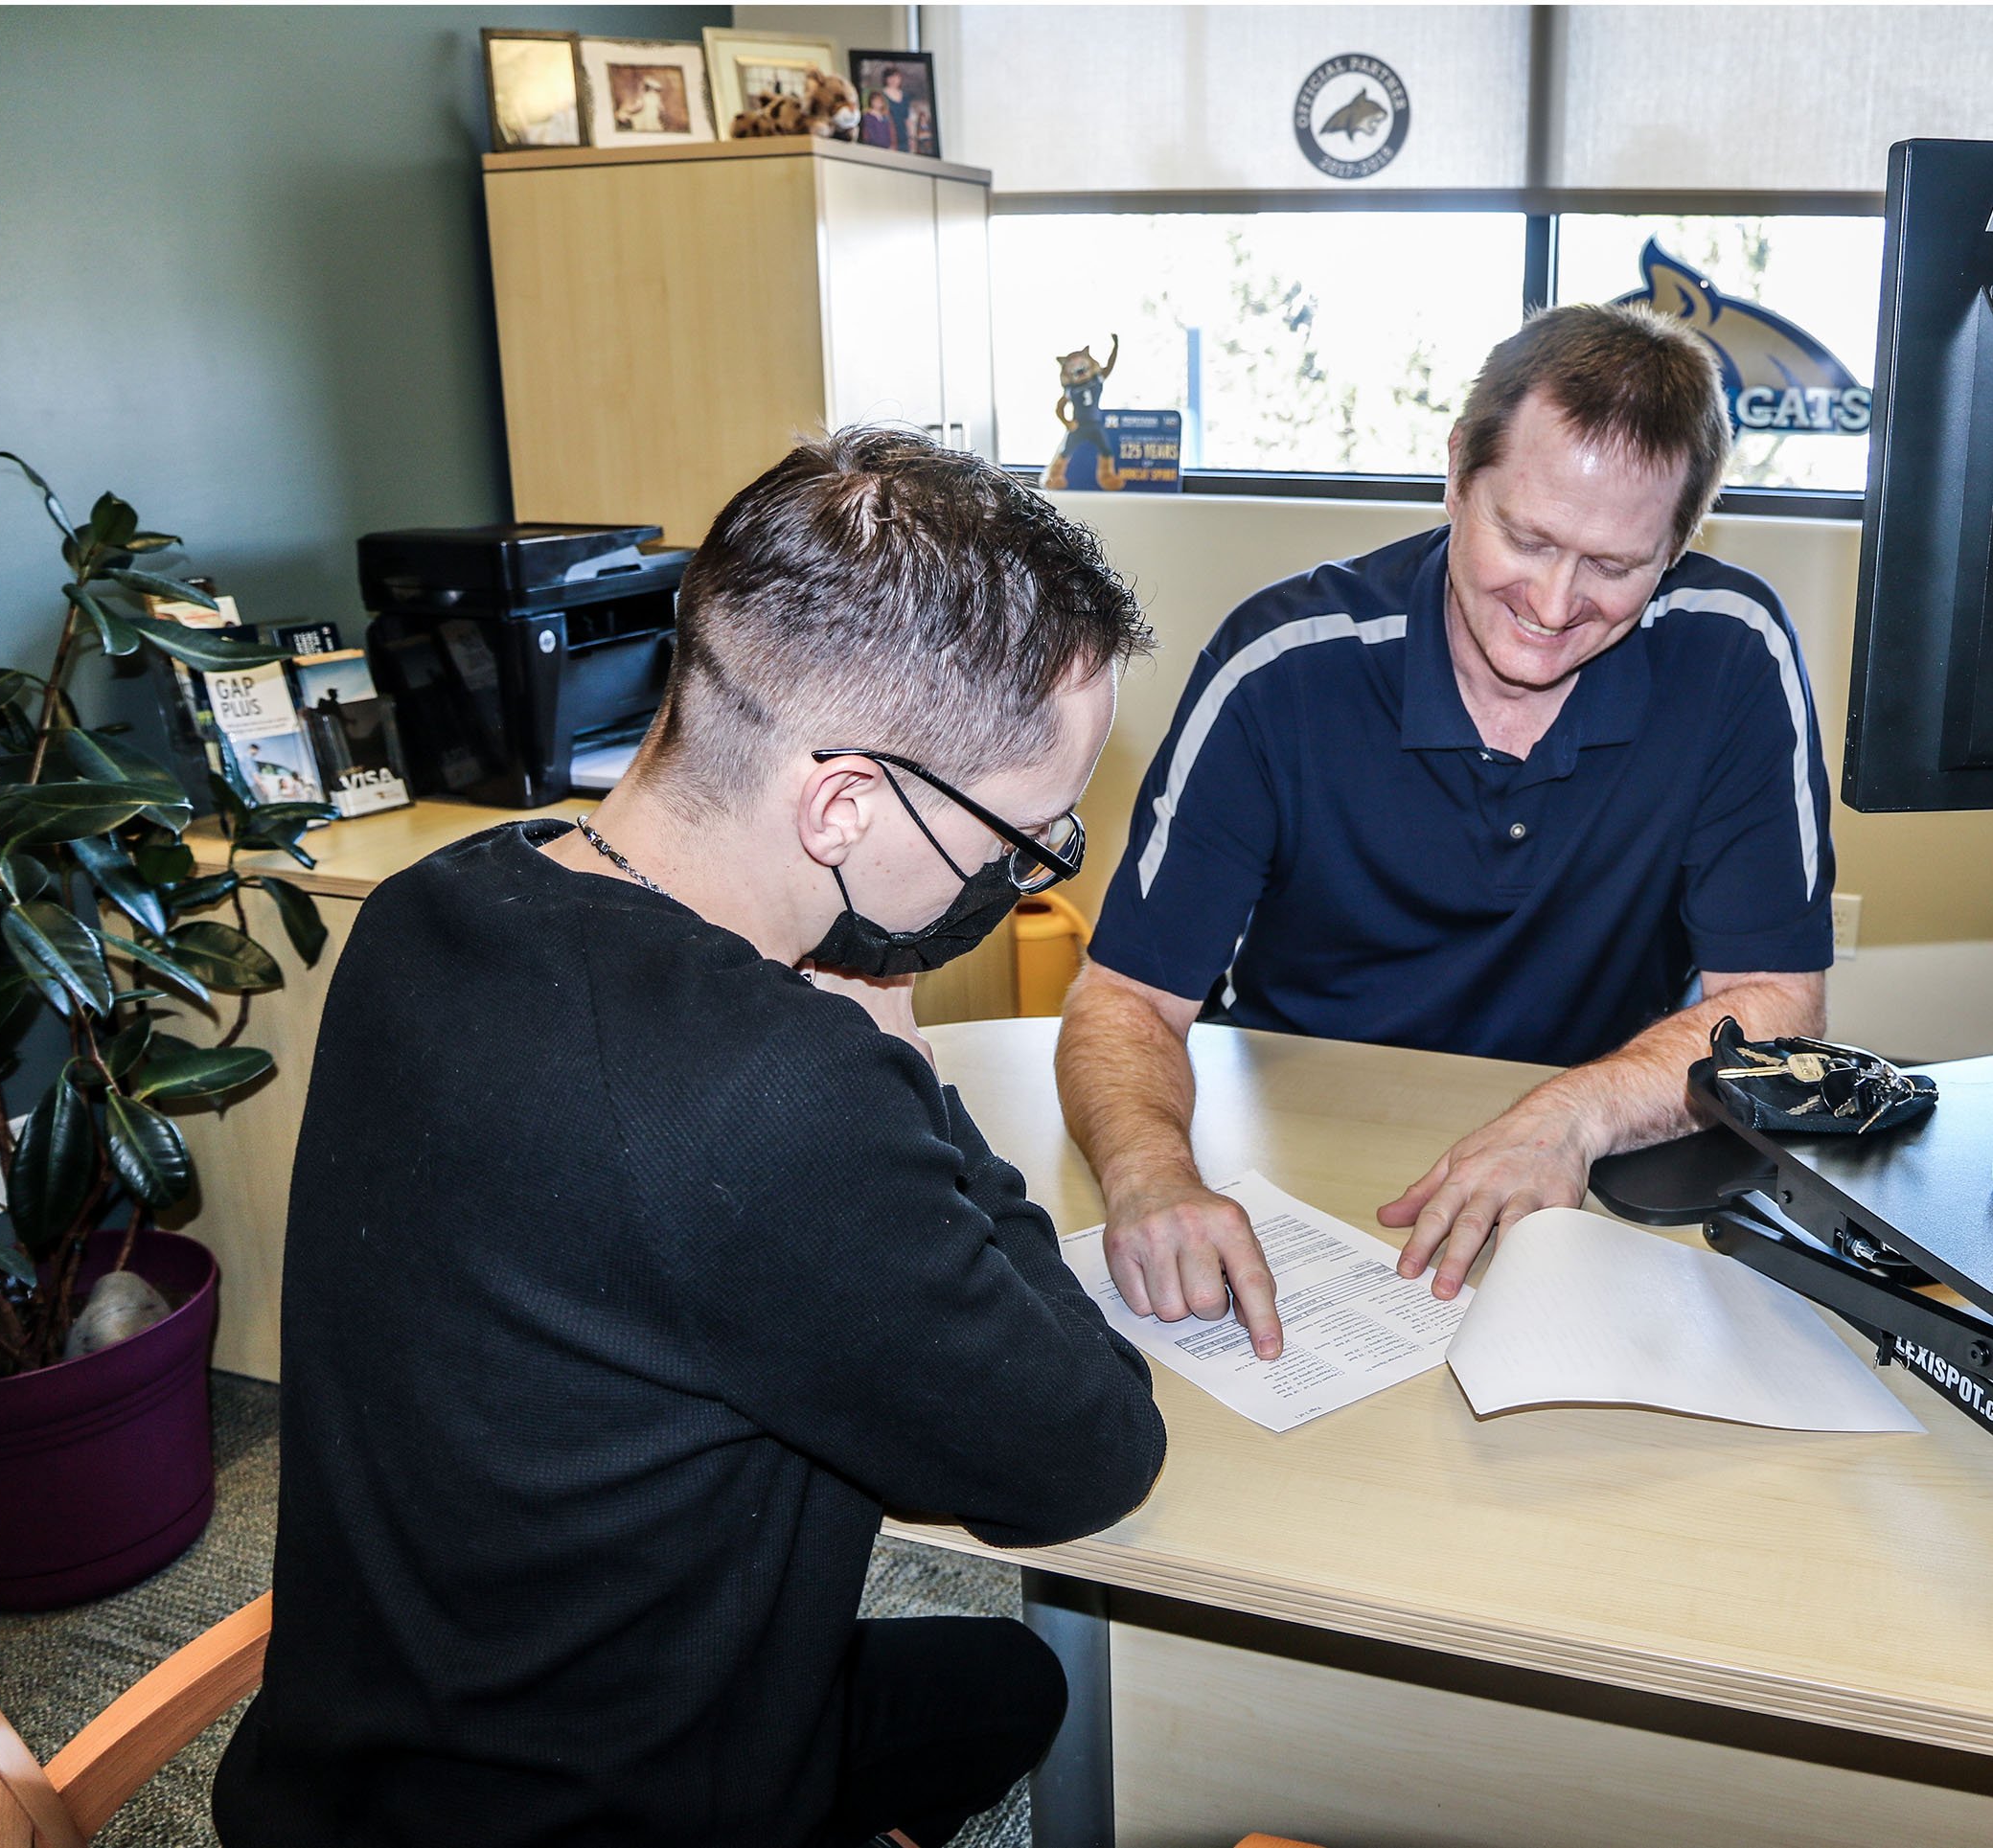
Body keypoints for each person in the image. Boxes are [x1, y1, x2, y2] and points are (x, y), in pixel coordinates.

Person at [214, 429, 1167, 1848]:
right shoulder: (778, 1101)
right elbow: (1085, 1452)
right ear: (842, 802)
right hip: (609, 1808)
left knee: (995, 1685)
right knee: (1021, 1683)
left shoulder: (431, 908)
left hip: (353, 1775)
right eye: (1023, 837)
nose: (1026, 874)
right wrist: (898, 1064)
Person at [1059, 304, 1834, 1360]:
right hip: (1302, 1179)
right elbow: (1127, 998)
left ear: (1679, 546)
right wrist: (1153, 1178)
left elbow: (1776, 1007)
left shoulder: (1731, 653)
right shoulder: (1281, 666)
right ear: (1455, 473)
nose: (1556, 603)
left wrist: (1571, 1117)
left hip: (1590, 1163)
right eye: (1525, 537)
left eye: (1615, 565)